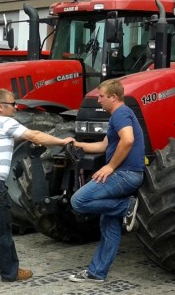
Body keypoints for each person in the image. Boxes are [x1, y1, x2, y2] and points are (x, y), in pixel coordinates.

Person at [0, 89, 74, 291]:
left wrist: (23, 138)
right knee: (3, 232)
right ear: (0, 106)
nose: (15, 107)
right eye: (12, 103)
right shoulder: (6, 122)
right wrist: (62, 141)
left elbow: (5, 139)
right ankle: (10, 272)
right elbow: (36, 135)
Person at [68, 79, 145, 283]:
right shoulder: (117, 116)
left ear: (114, 97)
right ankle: (97, 272)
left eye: (101, 96)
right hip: (127, 174)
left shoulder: (120, 113)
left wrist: (110, 167)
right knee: (108, 225)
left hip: (124, 174)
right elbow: (103, 146)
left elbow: (128, 140)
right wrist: (78, 144)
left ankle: (126, 207)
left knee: (78, 201)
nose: (98, 100)